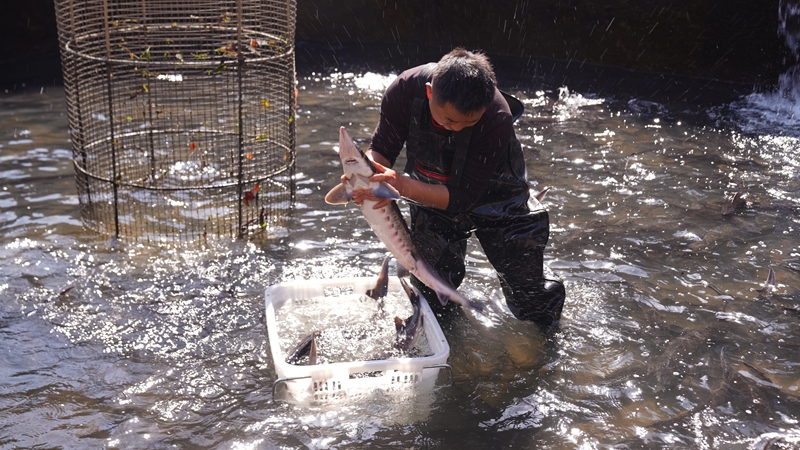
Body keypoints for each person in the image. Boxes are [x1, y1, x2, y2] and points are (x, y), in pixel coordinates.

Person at [352, 48, 566, 333]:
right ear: (430, 93)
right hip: (429, 194)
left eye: (469, 123)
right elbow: (380, 150)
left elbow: (463, 197)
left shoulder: (496, 117)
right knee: (433, 292)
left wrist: (400, 186)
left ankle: (547, 344)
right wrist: (368, 180)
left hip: (499, 201)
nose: (457, 129)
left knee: (530, 294)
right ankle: (448, 345)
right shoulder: (403, 91)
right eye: (450, 120)